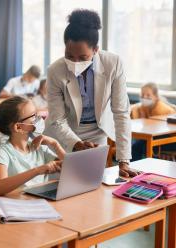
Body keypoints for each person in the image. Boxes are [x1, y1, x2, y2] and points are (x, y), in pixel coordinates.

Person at [45, 9, 138, 177]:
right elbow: (57, 120)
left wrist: (123, 161)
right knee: (59, 184)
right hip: (63, 133)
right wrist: (76, 143)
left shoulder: (113, 64)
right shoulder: (55, 71)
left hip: (97, 133)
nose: (74, 62)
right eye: (69, 55)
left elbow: (121, 112)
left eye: (82, 57)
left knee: (90, 184)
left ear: (95, 49)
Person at [0, 96, 65, 194]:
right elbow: (0, 186)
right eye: (34, 116)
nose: (39, 118)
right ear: (18, 127)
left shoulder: (38, 147)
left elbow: (71, 169)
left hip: (40, 201)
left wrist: (55, 144)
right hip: (18, 204)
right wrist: (38, 170)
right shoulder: (3, 152)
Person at [131, 82, 176, 161]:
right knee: (137, 145)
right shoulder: (145, 107)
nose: (144, 97)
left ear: (155, 96)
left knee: (142, 146)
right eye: (142, 95)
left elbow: (157, 130)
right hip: (156, 136)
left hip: (171, 139)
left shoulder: (161, 109)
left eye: (148, 95)